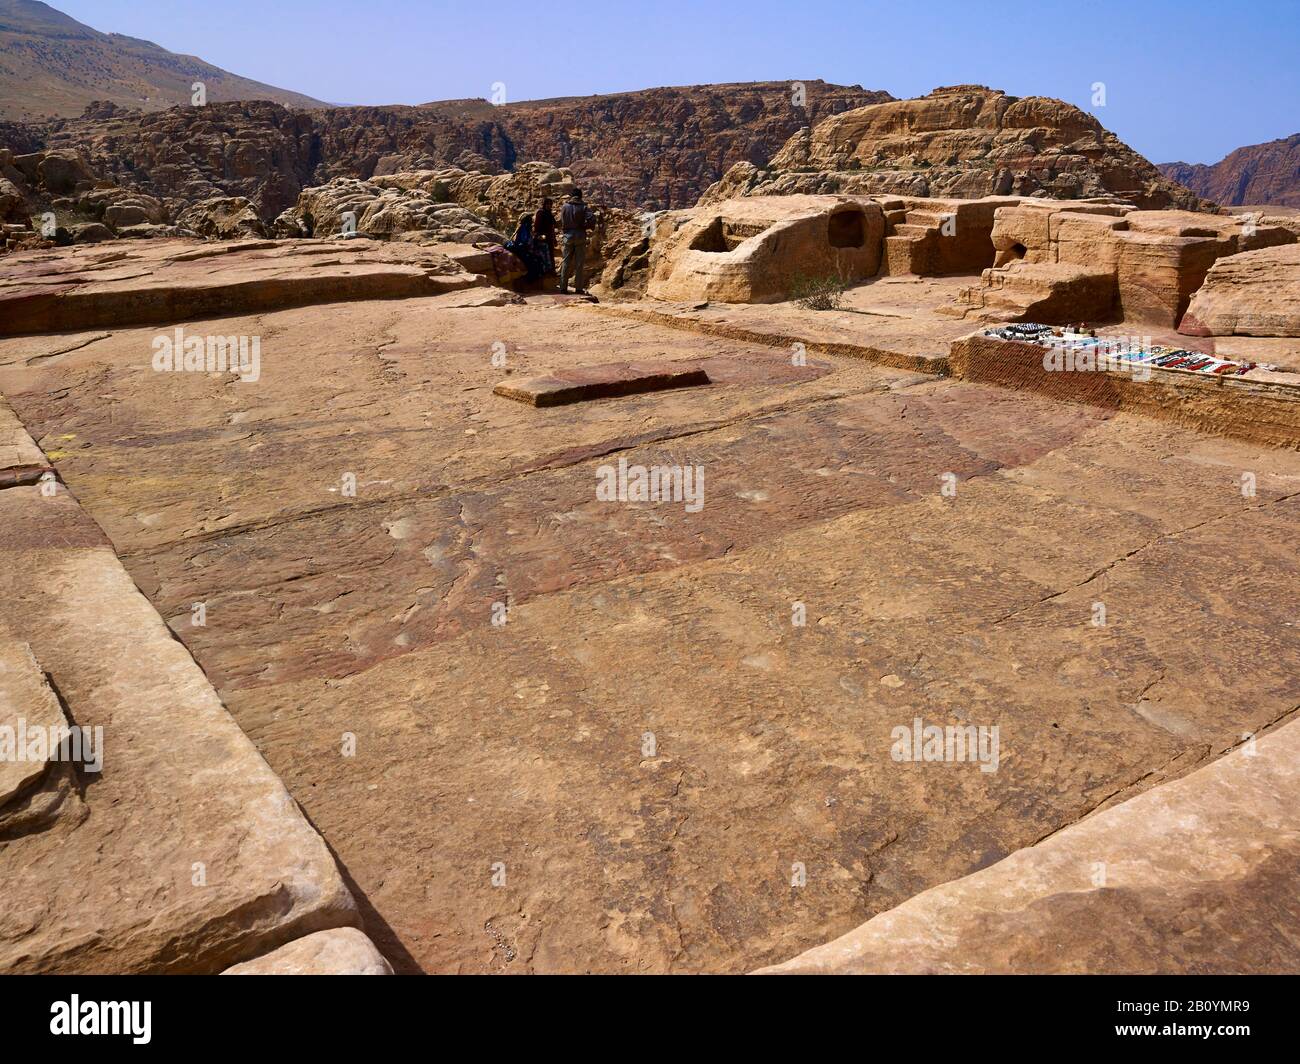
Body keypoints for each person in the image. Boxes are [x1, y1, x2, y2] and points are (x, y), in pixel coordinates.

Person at [558, 189, 595, 294]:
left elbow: (562, 221)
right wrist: (585, 226)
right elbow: (592, 219)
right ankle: (578, 288)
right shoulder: (583, 207)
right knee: (579, 264)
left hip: (568, 236)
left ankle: (563, 288)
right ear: (580, 196)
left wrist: (566, 231)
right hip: (580, 236)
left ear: (572, 196)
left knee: (566, 262)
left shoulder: (565, 206)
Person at [533, 197, 557, 276]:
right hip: (542, 238)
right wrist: (539, 236)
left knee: (550, 255)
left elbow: (553, 226)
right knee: (543, 255)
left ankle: (552, 272)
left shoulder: (549, 214)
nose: (549, 206)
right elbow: (537, 227)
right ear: (544, 204)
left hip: (549, 237)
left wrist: (554, 239)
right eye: (547, 204)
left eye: (550, 204)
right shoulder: (540, 213)